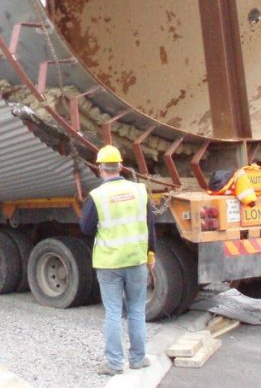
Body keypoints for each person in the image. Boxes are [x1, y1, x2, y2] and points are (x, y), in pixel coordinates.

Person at [79, 145, 157, 376]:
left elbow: (85, 228)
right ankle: (138, 358)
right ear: (121, 166)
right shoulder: (140, 191)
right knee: (136, 311)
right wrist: (151, 253)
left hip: (109, 263)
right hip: (136, 259)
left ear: (100, 168)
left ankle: (114, 364)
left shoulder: (96, 196)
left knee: (113, 312)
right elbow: (150, 225)